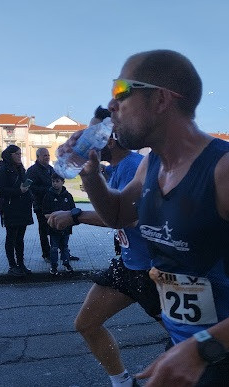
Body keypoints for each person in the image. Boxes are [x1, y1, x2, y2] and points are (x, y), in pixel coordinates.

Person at [53, 49, 229, 386]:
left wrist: (202, 349)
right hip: (185, 341)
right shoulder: (152, 165)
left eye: (121, 91)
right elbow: (120, 214)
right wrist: (91, 175)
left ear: (161, 99)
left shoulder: (227, 169)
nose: (111, 106)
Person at [47, 106, 161, 387]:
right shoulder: (112, 168)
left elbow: (126, 217)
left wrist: (75, 216)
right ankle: (122, 382)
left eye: (93, 136)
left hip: (154, 271)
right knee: (86, 324)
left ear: (109, 139)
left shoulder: (135, 166)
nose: (87, 141)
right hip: (127, 263)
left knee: (188, 339)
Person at [27, 148, 80, 262]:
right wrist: (48, 189)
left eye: (48, 155)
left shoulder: (51, 169)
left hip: (56, 204)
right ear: (38, 157)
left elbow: (59, 179)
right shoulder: (32, 170)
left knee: (61, 229)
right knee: (44, 231)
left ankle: (64, 253)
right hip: (41, 206)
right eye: (44, 155)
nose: (47, 157)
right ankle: (47, 254)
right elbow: (31, 188)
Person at [0, 145, 33, 277]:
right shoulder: (3, 170)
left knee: (20, 238)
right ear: (10, 155)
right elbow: (0, 190)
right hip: (10, 208)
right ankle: (12, 266)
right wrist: (19, 191)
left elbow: (24, 184)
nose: (19, 156)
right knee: (11, 237)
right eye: (17, 154)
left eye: (20, 153)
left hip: (22, 207)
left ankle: (21, 264)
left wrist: (28, 191)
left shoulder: (21, 168)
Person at [42, 173, 76, 275]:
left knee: (65, 246)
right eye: (53, 181)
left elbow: (73, 210)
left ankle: (66, 263)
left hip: (66, 227)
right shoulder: (48, 196)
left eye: (57, 181)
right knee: (54, 247)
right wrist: (55, 219)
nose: (55, 184)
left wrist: (68, 219)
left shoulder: (68, 196)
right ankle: (54, 265)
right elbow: (45, 213)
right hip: (53, 227)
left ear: (62, 182)